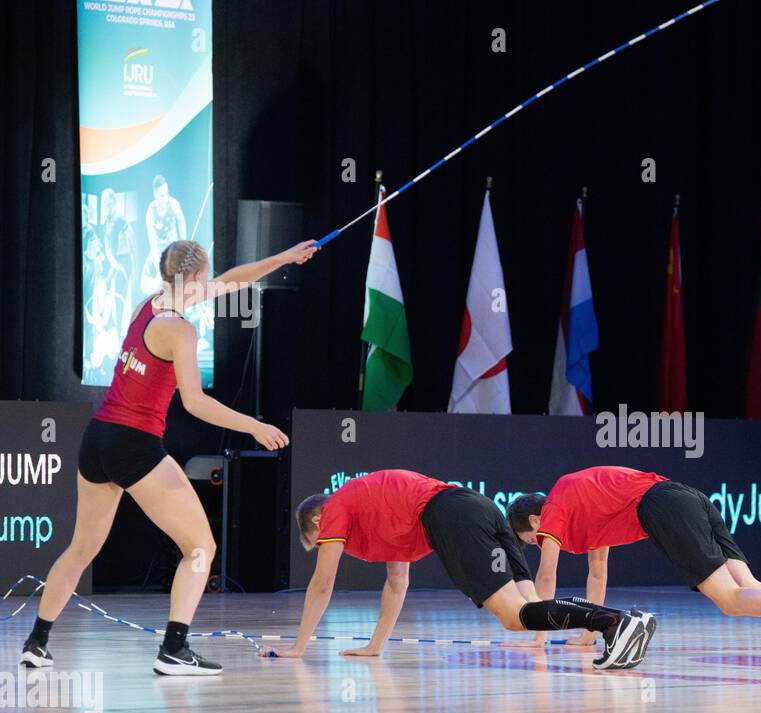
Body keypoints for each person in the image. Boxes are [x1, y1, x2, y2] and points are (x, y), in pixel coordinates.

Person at [20, 237, 317, 676]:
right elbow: (195, 404)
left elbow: (232, 282)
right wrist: (254, 425)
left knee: (80, 549)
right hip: (134, 445)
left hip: (98, 438)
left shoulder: (150, 302)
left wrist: (284, 258)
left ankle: (37, 641)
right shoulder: (181, 329)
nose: (211, 282)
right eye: (207, 275)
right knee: (201, 546)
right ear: (194, 278)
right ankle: (174, 649)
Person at [283, 469, 655, 670]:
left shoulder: (334, 510)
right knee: (526, 599)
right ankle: (623, 621)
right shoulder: (371, 509)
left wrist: (298, 647)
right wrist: (374, 646)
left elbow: (321, 583)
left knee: (514, 616)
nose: (331, 546)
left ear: (317, 519)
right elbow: (397, 583)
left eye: (320, 540)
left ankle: (613, 623)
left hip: (451, 517)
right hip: (479, 506)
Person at [507, 466, 761, 657]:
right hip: (687, 496)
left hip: (662, 507)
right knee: (748, 586)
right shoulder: (581, 508)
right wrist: (588, 636)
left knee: (730, 600)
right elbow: (597, 573)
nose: (540, 544)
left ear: (535, 523)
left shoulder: (553, 507)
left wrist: (537, 637)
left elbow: (547, 576)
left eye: (533, 540)